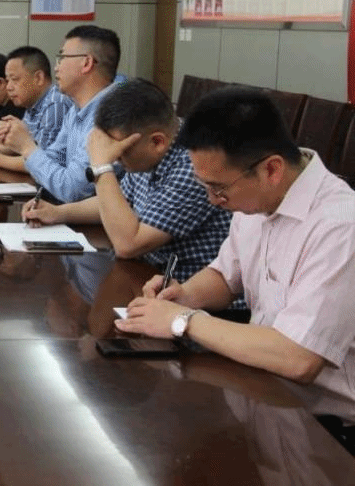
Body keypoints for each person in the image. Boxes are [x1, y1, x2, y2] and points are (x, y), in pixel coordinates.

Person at [116, 87, 355, 453]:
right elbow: (226, 275)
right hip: (267, 394)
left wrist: (183, 321)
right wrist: (184, 294)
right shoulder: (256, 200)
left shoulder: (340, 227)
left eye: (219, 189)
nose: (213, 201)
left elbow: (298, 358)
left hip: (329, 432)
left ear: (271, 169)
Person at [23, 79, 234, 289]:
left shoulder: (194, 166)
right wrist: (58, 213)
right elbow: (118, 202)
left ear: (157, 142)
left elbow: (128, 244)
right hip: (148, 278)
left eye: (120, 150)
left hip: (188, 292)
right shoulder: (145, 148)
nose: (116, 157)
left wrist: (101, 166)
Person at [0, 26, 120, 203]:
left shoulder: (112, 115)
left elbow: (72, 190)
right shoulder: (76, 109)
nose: (56, 67)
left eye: (62, 58)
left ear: (86, 63)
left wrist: (26, 146)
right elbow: (53, 160)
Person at [0, 46, 72, 155]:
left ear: (39, 78)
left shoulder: (55, 104)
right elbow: (20, 150)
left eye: (15, 79)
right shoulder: (32, 104)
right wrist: (9, 136)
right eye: (8, 81)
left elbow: (43, 159)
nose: (8, 87)